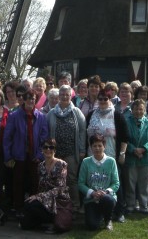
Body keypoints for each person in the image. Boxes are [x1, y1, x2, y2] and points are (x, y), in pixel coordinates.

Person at [3, 88, 48, 216]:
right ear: (23, 100)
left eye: (33, 99)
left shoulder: (41, 117)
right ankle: (18, 209)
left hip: (35, 156)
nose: (30, 101)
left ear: (36, 100)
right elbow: (7, 137)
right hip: (19, 156)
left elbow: (44, 138)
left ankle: (32, 208)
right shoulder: (14, 116)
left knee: (35, 183)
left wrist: (40, 155)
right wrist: (8, 156)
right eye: (28, 98)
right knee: (18, 183)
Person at [86, 89, 128, 223]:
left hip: (111, 155)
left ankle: (119, 211)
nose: (103, 101)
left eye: (105, 99)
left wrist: (122, 153)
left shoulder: (117, 115)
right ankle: (95, 210)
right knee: (94, 181)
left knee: (116, 183)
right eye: (100, 99)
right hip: (93, 154)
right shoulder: (92, 114)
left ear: (110, 99)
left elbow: (125, 137)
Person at [47, 85, 86, 213]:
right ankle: (58, 205)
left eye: (67, 95)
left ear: (71, 96)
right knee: (56, 179)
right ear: (58, 96)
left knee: (71, 179)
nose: (64, 97)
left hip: (71, 152)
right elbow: (47, 132)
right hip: (56, 152)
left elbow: (82, 132)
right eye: (62, 94)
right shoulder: (51, 113)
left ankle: (75, 205)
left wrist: (81, 150)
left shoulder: (77, 112)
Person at [20, 139, 71, 233]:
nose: (48, 149)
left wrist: (39, 197)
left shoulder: (61, 164)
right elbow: (41, 187)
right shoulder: (40, 166)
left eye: (51, 147)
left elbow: (60, 188)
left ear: (55, 150)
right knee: (25, 222)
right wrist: (37, 197)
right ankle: (41, 221)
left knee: (32, 205)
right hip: (45, 199)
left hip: (58, 199)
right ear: (42, 150)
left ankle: (53, 222)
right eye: (45, 147)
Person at [78, 135, 119, 231]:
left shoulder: (111, 161)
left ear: (104, 146)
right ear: (91, 147)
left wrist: (106, 192)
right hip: (91, 199)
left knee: (107, 200)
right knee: (92, 226)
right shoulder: (85, 162)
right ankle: (99, 215)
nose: (97, 148)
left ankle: (108, 220)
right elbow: (80, 183)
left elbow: (116, 183)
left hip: (106, 197)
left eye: (100, 145)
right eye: (94, 146)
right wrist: (92, 193)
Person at [124, 99, 148, 214]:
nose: (138, 111)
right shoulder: (126, 122)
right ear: (132, 110)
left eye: (141, 109)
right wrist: (133, 150)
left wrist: (143, 149)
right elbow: (124, 139)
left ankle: (143, 206)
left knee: (144, 184)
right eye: (136, 109)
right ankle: (130, 205)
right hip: (131, 157)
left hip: (146, 158)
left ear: (144, 110)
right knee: (130, 183)